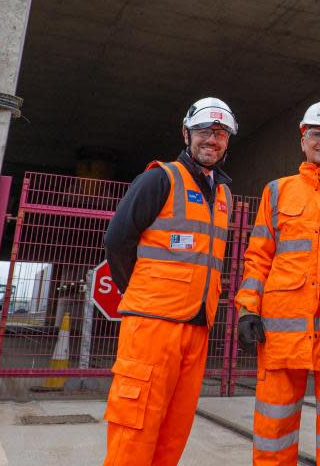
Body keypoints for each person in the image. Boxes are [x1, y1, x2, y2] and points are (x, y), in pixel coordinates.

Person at [101, 97, 238, 466]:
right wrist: (141, 292)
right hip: (152, 329)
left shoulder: (223, 194)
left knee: (173, 432)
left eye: (221, 133)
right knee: (135, 430)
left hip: (196, 331)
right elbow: (117, 241)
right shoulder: (159, 178)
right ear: (186, 133)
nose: (213, 139)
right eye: (205, 131)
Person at [235, 100, 320, 466]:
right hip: (281, 332)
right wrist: (246, 309)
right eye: (316, 134)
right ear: (303, 139)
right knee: (274, 427)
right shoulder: (277, 191)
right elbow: (258, 257)